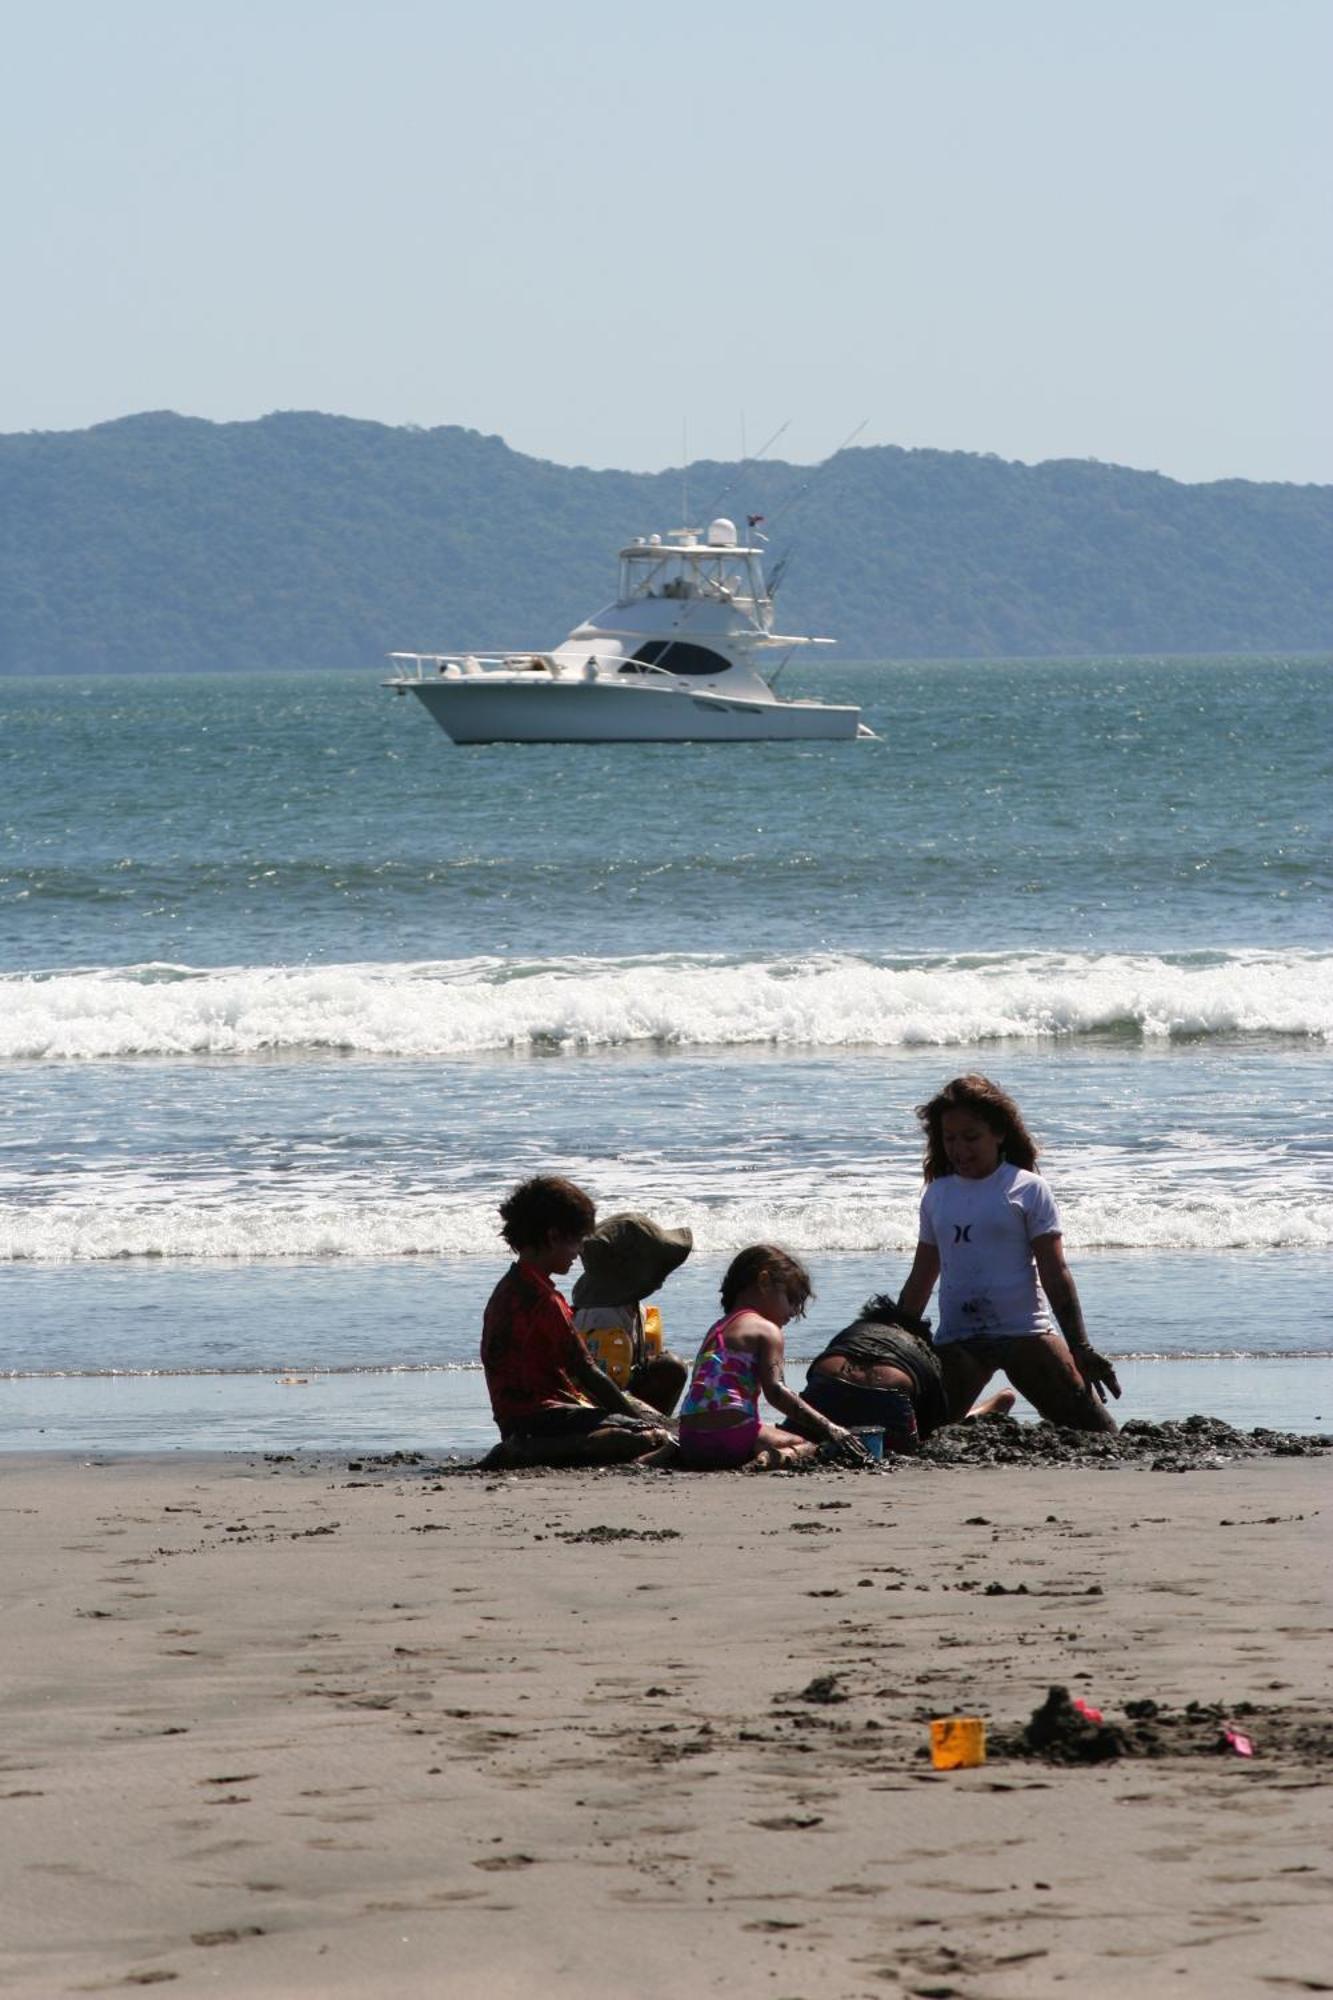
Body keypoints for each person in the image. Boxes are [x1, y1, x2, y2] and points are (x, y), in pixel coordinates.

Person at [896, 1075, 1121, 1432]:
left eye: (971, 1137)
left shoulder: (1028, 1189)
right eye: (949, 1138)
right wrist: (892, 1342)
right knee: (916, 1435)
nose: (959, 1149)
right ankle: (983, 1414)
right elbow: (922, 1277)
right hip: (960, 1340)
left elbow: (1055, 1271)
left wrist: (1080, 1347)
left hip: (1025, 1335)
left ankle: (985, 1412)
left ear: (999, 1133)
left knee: (1101, 1433)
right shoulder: (936, 1195)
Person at [479, 1175, 675, 1467]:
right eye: (577, 1242)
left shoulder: (509, 1287)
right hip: (542, 1418)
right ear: (553, 1237)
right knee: (649, 1436)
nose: (579, 1253)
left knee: (647, 1415)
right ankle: (534, 1451)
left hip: (515, 1418)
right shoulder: (545, 1300)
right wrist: (637, 1419)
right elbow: (586, 1371)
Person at [678, 1244, 866, 1470]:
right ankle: (768, 1458)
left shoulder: (716, 1330)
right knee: (806, 1445)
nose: (794, 1312)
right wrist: (829, 1427)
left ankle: (673, 1451)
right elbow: (776, 1392)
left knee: (762, 1428)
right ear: (764, 1281)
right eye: (792, 1299)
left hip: (691, 1442)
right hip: (732, 1439)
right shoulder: (766, 1330)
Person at [798, 1293, 1015, 1453]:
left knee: (799, 1438)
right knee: (930, 1440)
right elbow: (936, 1427)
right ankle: (990, 1408)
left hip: (827, 1383)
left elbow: (813, 1379)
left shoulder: (855, 1330)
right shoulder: (922, 1350)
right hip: (889, 1392)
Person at [571, 1212, 692, 1416]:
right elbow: (596, 1385)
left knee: (670, 1366)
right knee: (672, 1367)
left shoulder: (631, 1306)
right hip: (600, 1405)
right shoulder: (601, 1315)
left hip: (625, 1388)